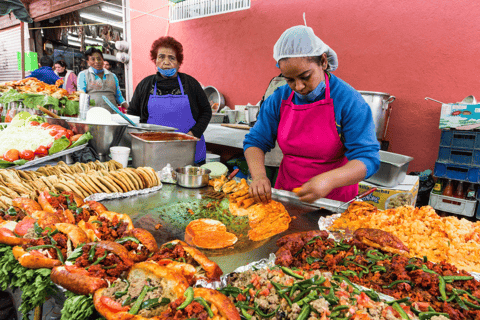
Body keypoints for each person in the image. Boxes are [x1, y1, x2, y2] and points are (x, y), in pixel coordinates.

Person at [244, 25, 380, 203]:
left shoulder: (348, 101)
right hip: (289, 195)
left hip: (334, 200)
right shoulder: (279, 99)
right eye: (290, 80)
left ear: (323, 62)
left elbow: (367, 158)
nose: (299, 87)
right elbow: (255, 141)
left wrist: (328, 180)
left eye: (306, 76)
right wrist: (260, 176)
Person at [127, 36, 212, 164]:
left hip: (188, 150)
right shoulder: (145, 85)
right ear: (155, 60)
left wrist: (194, 133)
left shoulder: (190, 84)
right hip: (154, 152)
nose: (166, 62)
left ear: (179, 63)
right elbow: (132, 115)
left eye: (171, 58)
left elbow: (206, 111)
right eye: (161, 57)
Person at [77, 47, 127, 112]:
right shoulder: (83, 75)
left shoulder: (113, 76)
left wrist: (130, 109)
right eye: (93, 59)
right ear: (88, 62)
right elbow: (82, 95)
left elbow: (119, 96)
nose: (97, 62)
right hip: (92, 115)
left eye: (99, 59)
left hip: (112, 114)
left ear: (103, 60)